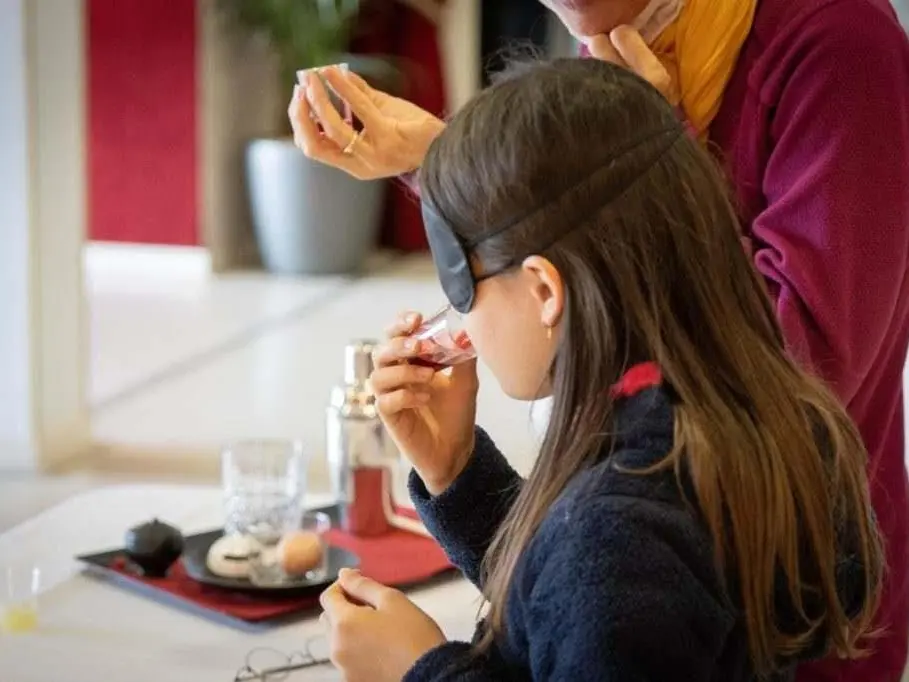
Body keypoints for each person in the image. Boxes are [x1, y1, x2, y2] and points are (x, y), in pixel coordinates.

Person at [290, 1, 909, 678]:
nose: (453, 326)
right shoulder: (636, 504)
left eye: (460, 282)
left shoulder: (629, 520)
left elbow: (610, 572)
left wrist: (422, 669)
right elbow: (584, 600)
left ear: (546, 288)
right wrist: (460, 476)